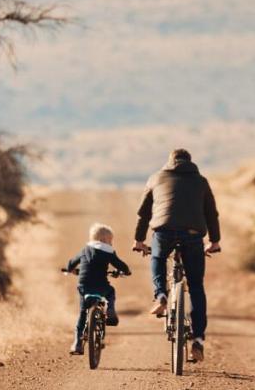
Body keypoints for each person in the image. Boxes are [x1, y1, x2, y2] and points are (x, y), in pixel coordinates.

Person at [131, 148, 221, 363]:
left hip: (164, 232)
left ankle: (161, 294)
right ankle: (198, 340)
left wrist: (139, 240)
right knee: (196, 286)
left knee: (158, 259)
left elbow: (143, 213)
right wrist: (215, 241)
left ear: (170, 161)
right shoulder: (201, 181)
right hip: (193, 235)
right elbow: (211, 213)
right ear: (190, 162)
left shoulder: (156, 178)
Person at [63, 222, 131, 355]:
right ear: (104, 240)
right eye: (110, 241)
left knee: (83, 312)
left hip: (84, 285)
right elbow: (120, 265)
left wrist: (70, 269)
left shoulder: (84, 250)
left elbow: (71, 263)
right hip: (101, 285)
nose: (111, 244)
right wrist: (126, 271)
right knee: (111, 291)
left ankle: (77, 343)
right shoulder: (108, 251)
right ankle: (110, 309)